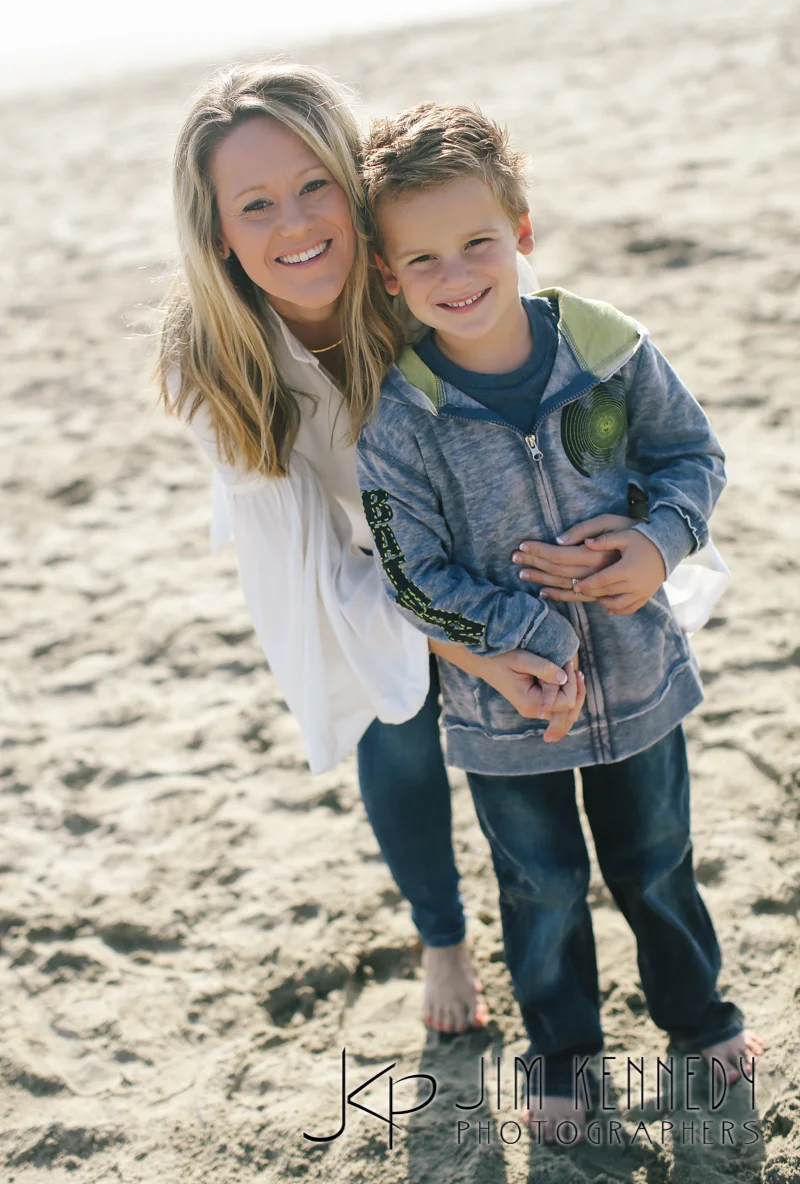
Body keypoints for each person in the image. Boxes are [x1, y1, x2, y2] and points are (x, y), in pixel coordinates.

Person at [156, 60, 596, 1039]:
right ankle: (441, 935)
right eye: (255, 205)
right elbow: (316, 573)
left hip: (477, 516)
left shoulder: (430, 272)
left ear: (353, 186)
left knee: (532, 684)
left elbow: (545, 414)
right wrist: (456, 645)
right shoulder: (213, 365)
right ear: (219, 233)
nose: (295, 224)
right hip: (333, 548)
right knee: (388, 717)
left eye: (316, 185)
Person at [356, 101, 764, 1139]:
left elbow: (691, 457)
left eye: (478, 242)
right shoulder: (401, 418)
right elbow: (410, 573)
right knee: (539, 884)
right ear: (388, 275)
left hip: (639, 672)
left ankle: (699, 1018)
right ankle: (563, 1057)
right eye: (423, 259)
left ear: (522, 231)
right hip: (506, 711)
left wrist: (657, 543)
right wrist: (527, 637)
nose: (456, 275)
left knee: (657, 860)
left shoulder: (607, 349)